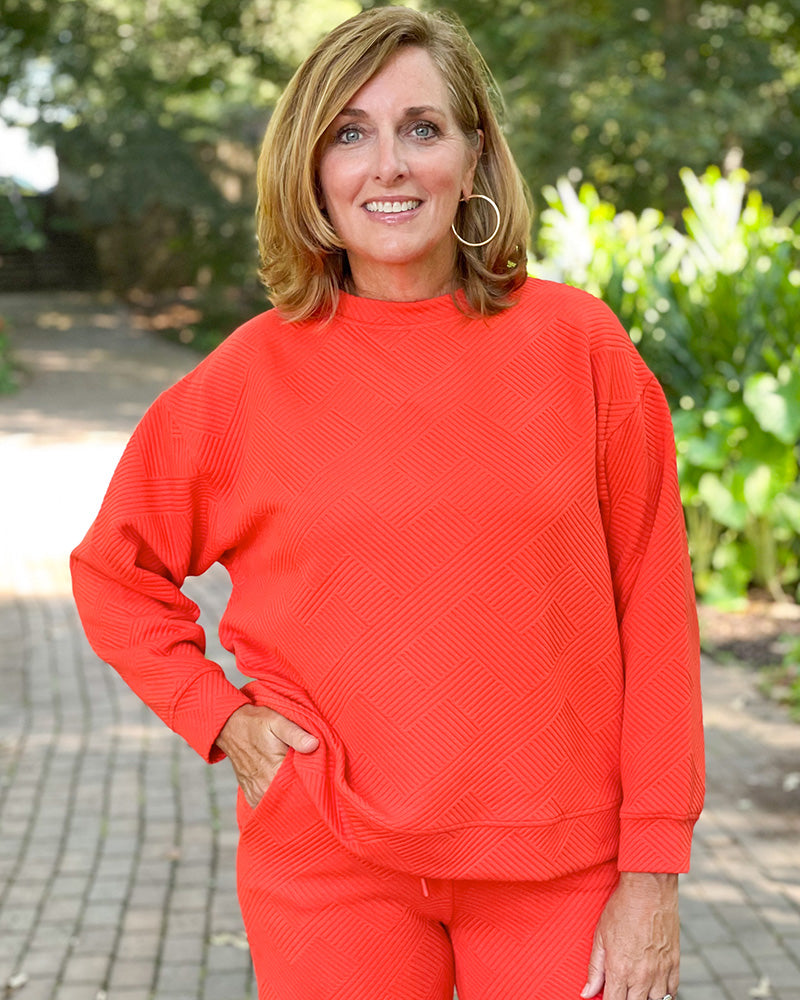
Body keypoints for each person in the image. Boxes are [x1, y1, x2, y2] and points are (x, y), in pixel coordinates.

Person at [71, 7, 704, 1000]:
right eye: (349, 134)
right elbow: (114, 573)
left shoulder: (580, 348)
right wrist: (220, 717)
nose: (388, 165)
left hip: (559, 868)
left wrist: (653, 870)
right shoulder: (245, 380)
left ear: (473, 154)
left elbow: (655, 614)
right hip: (326, 864)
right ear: (312, 168)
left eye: (421, 128)